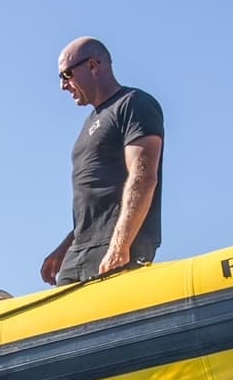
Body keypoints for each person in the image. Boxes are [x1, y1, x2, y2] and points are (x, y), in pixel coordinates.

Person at [40, 37, 165, 285]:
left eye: (66, 75)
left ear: (93, 65)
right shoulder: (90, 123)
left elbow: (143, 177)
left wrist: (120, 246)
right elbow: (98, 199)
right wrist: (66, 246)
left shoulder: (133, 104)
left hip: (118, 247)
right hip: (79, 252)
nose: (63, 86)